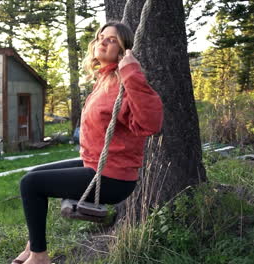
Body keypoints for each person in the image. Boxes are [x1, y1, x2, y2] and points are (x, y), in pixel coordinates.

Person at [12, 21, 163, 264]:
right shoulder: (104, 80)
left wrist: (132, 72)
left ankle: (40, 257)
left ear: (124, 51)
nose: (103, 41)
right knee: (33, 175)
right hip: (93, 164)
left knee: (31, 184)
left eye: (112, 39)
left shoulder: (125, 83)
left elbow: (151, 123)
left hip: (113, 178)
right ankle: (33, 245)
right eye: (101, 36)